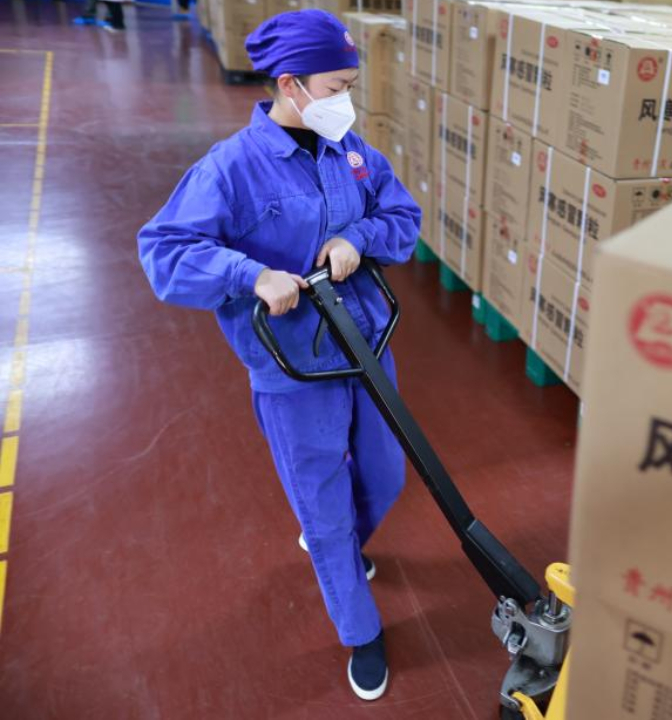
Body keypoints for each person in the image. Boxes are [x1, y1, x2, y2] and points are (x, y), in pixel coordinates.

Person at [137, 9, 421, 701]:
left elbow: (403, 217)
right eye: (335, 86)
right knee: (321, 507)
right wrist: (249, 276)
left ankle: (342, 549)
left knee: (385, 475)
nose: (345, 101)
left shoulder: (352, 153)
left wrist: (360, 236)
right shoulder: (231, 169)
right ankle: (359, 628)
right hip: (295, 373)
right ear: (290, 85)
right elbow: (164, 250)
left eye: (350, 85)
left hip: (366, 348)